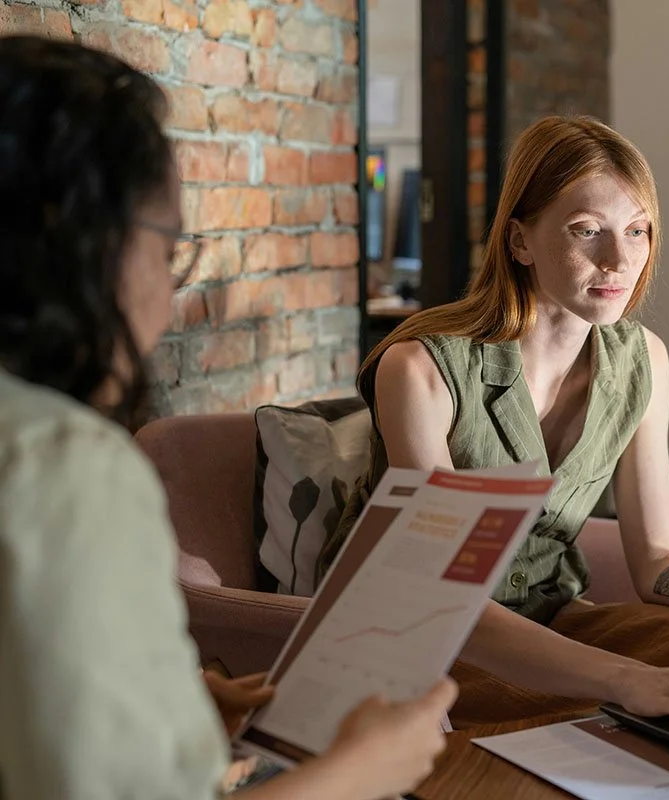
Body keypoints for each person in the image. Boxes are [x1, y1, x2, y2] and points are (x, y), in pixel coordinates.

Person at [0, 36, 456, 799]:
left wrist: (181, 699)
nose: (171, 293)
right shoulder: (60, 463)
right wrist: (358, 771)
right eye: (171, 247)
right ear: (83, 240)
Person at [320, 115, 669, 732]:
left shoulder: (643, 362)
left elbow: (658, 560)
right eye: (587, 230)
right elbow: (441, 601)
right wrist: (625, 678)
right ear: (520, 242)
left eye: (637, 231)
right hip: (416, 640)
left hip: (549, 616)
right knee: (642, 703)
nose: (620, 260)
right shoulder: (421, 368)